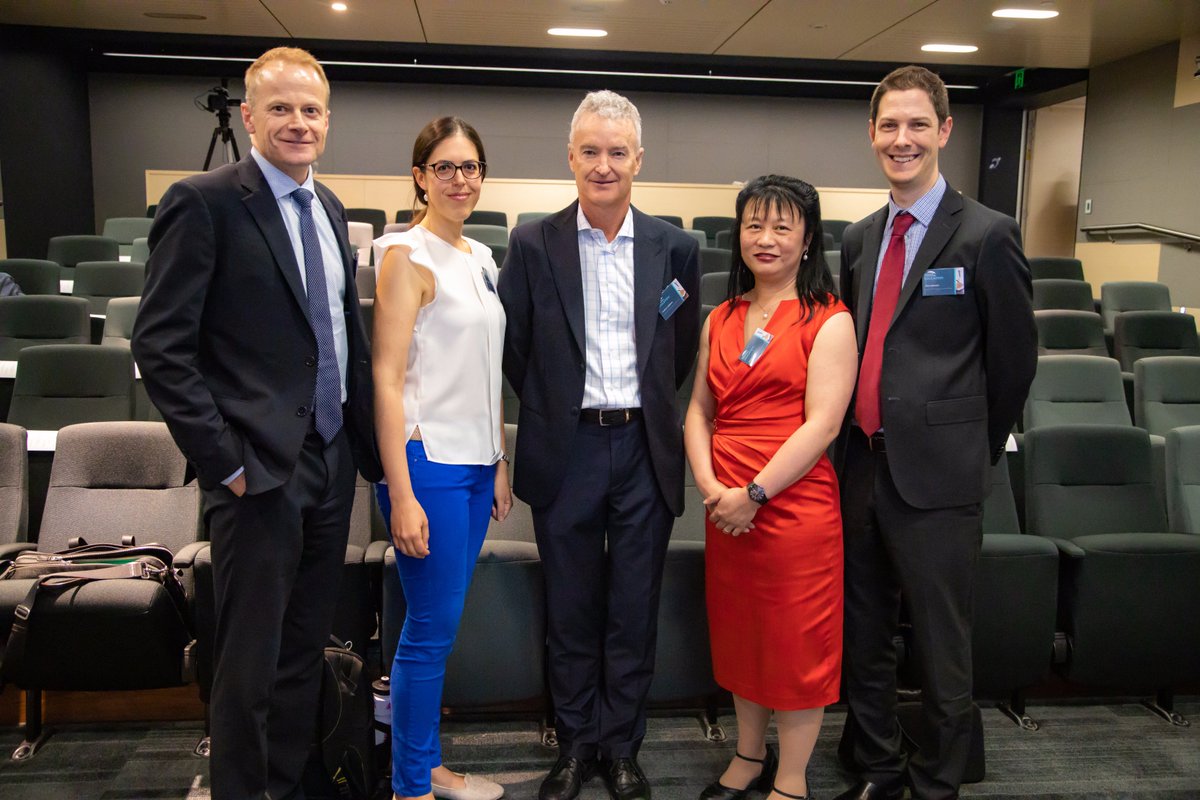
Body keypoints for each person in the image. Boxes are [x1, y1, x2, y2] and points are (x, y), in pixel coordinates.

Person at [131, 47, 381, 799]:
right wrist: (226, 462)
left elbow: (339, 337)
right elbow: (161, 347)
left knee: (303, 650)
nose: (297, 122)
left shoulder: (327, 206)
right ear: (248, 116)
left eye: (310, 110)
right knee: (248, 662)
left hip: (329, 463)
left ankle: (291, 785)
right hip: (256, 471)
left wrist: (358, 449)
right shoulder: (203, 202)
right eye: (280, 108)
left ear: (327, 120)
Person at [833, 65, 1036, 800]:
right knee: (865, 636)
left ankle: (940, 780)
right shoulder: (859, 238)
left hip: (941, 478)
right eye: (889, 125)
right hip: (862, 467)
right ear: (872, 134)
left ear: (944, 130)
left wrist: (968, 448)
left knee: (942, 643)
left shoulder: (987, 234)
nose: (903, 139)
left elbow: (1014, 363)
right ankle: (879, 766)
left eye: (918, 124)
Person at [497, 89, 700, 800]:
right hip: (568, 448)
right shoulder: (532, 243)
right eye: (590, 151)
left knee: (633, 609)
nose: (603, 165)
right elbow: (516, 350)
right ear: (571, 157)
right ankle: (576, 744)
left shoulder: (676, 247)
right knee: (572, 607)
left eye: (617, 152)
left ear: (639, 159)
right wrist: (558, 405)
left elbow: (678, 350)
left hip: (644, 448)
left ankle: (622, 748)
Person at [684, 175, 857, 800]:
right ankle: (749, 754)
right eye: (754, 225)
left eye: (783, 227)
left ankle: (791, 778)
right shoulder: (721, 316)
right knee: (743, 636)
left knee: (794, 644)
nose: (766, 238)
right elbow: (698, 410)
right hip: (726, 508)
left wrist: (752, 494)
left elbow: (824, 425)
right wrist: (711, 487)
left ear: (808, 239)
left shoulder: (829, 319)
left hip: (792, 508)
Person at [371, 116, 510, 800]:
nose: (460, 179)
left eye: (471, 167)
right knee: (427, 634)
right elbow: (386, 380)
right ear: (420, 176)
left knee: (438, 630)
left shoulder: (481, 257)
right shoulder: (405, 255)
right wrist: (401, 495)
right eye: (445, 167)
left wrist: (500, 458)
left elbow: (486, 369)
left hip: (477, 464)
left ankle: (425, 765)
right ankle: (411, 785)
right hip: (427, 465)